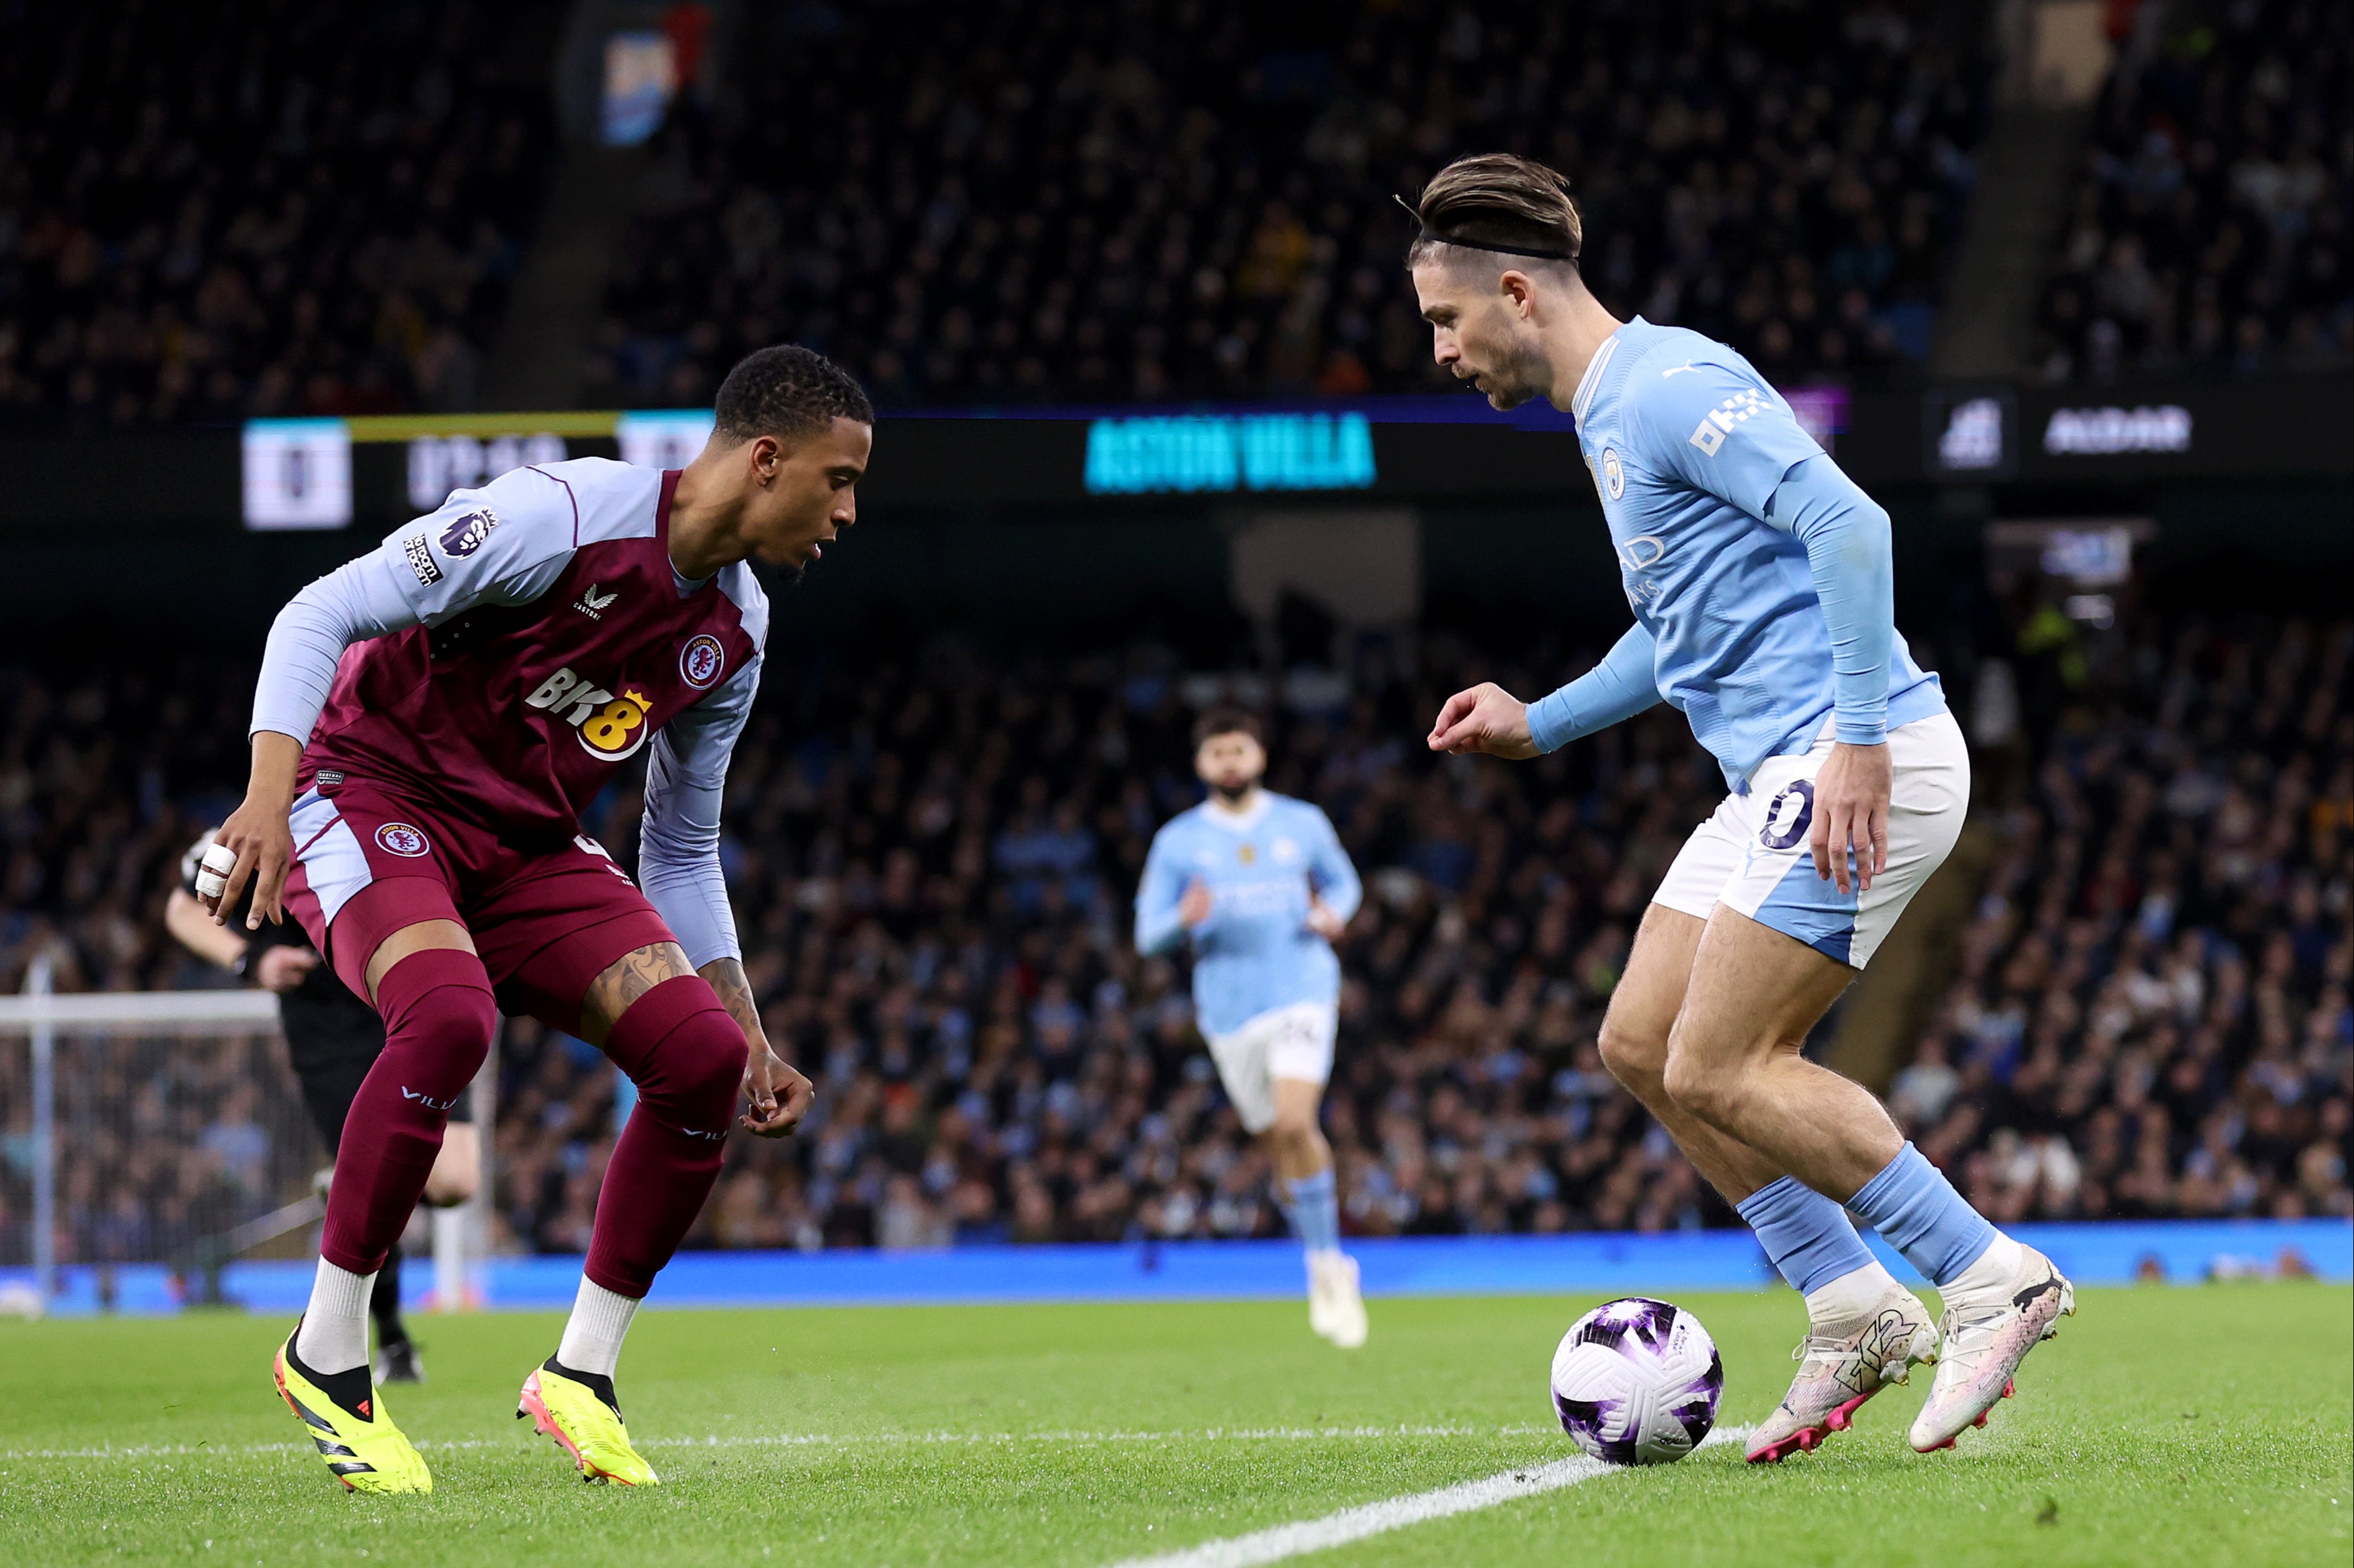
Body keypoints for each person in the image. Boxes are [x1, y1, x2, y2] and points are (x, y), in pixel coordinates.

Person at [1411, 154, 2074, 1460]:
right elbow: (1673, 634)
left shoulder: (1666, 386)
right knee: (1641, 1041)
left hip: (1843, 755)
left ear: (1510, 293)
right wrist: (1536, 719)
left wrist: (1856, 737)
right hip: (1773, 768)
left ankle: (1993, 1277)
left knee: (1723, 1061)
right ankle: (1848, 1304)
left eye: (1441, 320)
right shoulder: (1606, 413)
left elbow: (1848, 522)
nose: (1436, 351)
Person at [202, 345, 868, 1493]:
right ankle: (327, 1349)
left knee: (700, 1056)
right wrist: (266, 796)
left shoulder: (736, 634)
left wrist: (747, 1021)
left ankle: (581, 1374)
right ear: (766, 460)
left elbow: (680, 846)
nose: (848, 511)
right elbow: (319, 611)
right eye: (838, 478)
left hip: (524, 844)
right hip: (365, 788)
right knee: (449, 1017)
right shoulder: (560, 512)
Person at [167, 833, 480, 1382]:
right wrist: (251, 960)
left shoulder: (413, 802)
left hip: (419, 1003)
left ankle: (345, 1187)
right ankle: (394, 1343)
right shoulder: (271, 818)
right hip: (330, 1030)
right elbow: (182, 904)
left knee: (455, 1184)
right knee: (380, 1178)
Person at [1136, 707, 1368, 1346]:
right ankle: (1320, 1255)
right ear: (1200, 763)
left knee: (1296, 1122)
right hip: (1227, 1009)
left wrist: (1332, 914)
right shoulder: (1177, 841)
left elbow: (1344, 885)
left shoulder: (1301, 821)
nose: (1229, 760)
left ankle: (1327, 1264)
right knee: (1277, 1147)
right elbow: (1145, 933)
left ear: (1258, 756)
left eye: (1239, 748)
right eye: (1217, 752)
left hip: (1302, 987)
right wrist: (1182, 918)